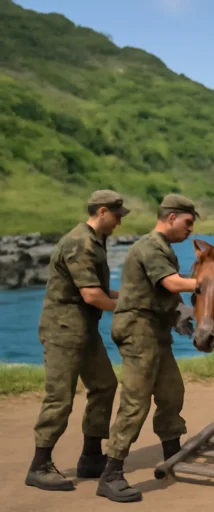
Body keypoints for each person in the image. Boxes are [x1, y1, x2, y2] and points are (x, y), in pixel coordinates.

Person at [96, 193, 199, 503]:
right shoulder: (151, 247)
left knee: (171, 393)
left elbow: (168, 289)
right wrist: (213, 280)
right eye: (188, 222)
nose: (190, 229)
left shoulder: (163, 248)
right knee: (136, 401)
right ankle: (111, 473)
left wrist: (181, 314)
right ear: (171, 218)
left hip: (155, 331)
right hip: (138, 330)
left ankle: (172, 455)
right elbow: (171, 283)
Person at [26, 190, 130, 492]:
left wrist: (135, 297)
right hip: (63, 330)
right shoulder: (80, 243)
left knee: (104, 385)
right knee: (60, 397)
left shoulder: (96, 241)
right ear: (101, 211)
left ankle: (91, 456)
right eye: (116, 216)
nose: (119, 223)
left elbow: (101, 291)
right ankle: (39, 464)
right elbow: (91, 295)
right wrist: (133, 308)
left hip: (84, 330)